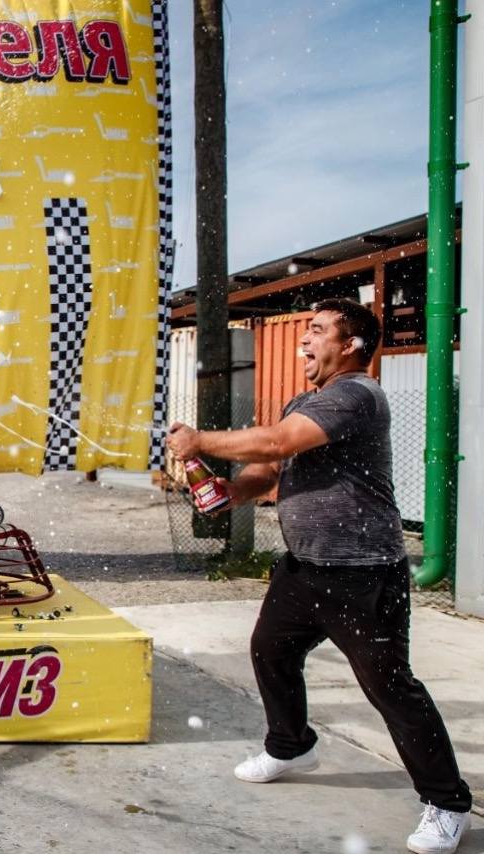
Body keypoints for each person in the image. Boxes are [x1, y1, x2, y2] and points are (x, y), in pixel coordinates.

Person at [167, 298, 471, 854]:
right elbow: (271, 465)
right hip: (303, 567)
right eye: (305, 330)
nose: (304, 340)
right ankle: (291, 746)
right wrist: (235, 491)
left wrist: (200, 441)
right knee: (271, 652)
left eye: (317, 330)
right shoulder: (305, 401)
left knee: (390, 688)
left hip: (363, 573)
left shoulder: (357, 395)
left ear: (350, 345)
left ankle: (448, 804)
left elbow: (278, 441)